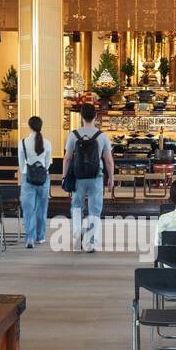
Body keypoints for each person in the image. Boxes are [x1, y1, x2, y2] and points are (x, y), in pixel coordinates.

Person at [63, 106, 115, 253]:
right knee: (95, 209)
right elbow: (108, 160)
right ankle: (91, 243)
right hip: (96, 176)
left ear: (81, 116)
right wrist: (111, 177)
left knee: (77, 206)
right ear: (96, 116)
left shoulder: (73, 135)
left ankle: (77, 237)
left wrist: (64, 176)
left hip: (78, 177)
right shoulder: (102, 136)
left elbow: (67, 158)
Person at [17, 115, 51, 248]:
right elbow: (48, 162)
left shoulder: (23, 143)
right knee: (42, 208)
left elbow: (21, 164)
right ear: (41, 126)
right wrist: (42, 170)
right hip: (43, 177)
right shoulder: (47, 143)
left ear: (29, 126)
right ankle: (40, 236)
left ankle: (30, 238)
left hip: (28, 177)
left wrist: (26, 171)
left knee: (28, 209)